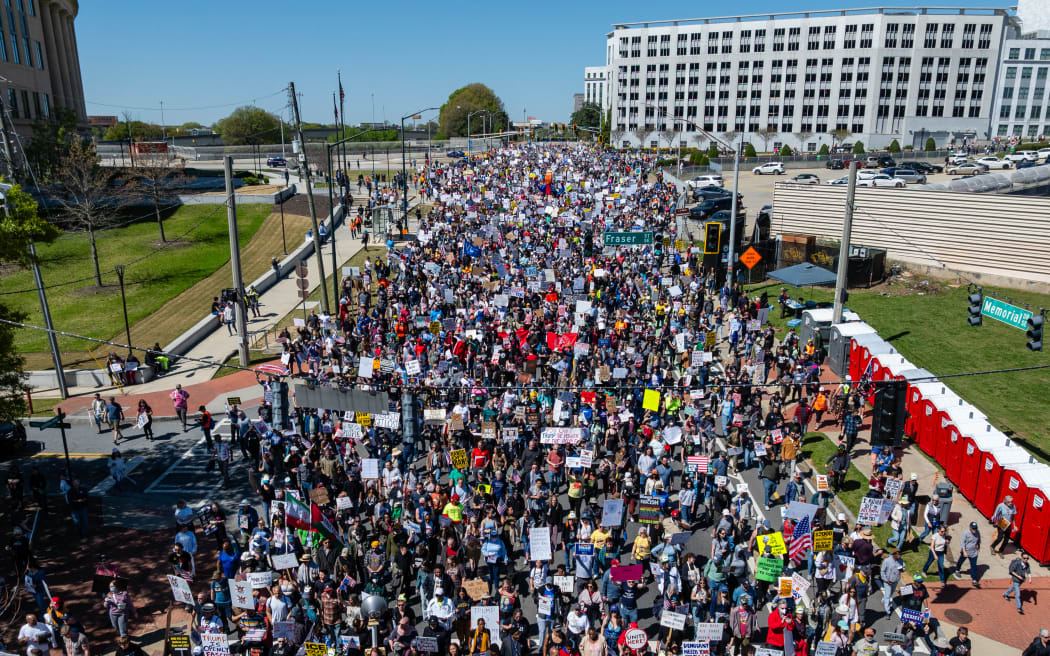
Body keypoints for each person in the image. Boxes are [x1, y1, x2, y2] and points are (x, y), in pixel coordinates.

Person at [956, 522, 981, 587]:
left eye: (975, 528)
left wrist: (978, 548)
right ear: (970, 527)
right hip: (966, 551)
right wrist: (964, 552)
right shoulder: (966, 533)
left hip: (974, 552)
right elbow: (962, 543)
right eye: (973, 528)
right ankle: (957, 569)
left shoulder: (977, 532)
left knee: (973, 566)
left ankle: (974, 580)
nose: (974, 530)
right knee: (960, 561)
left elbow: (978, 541)